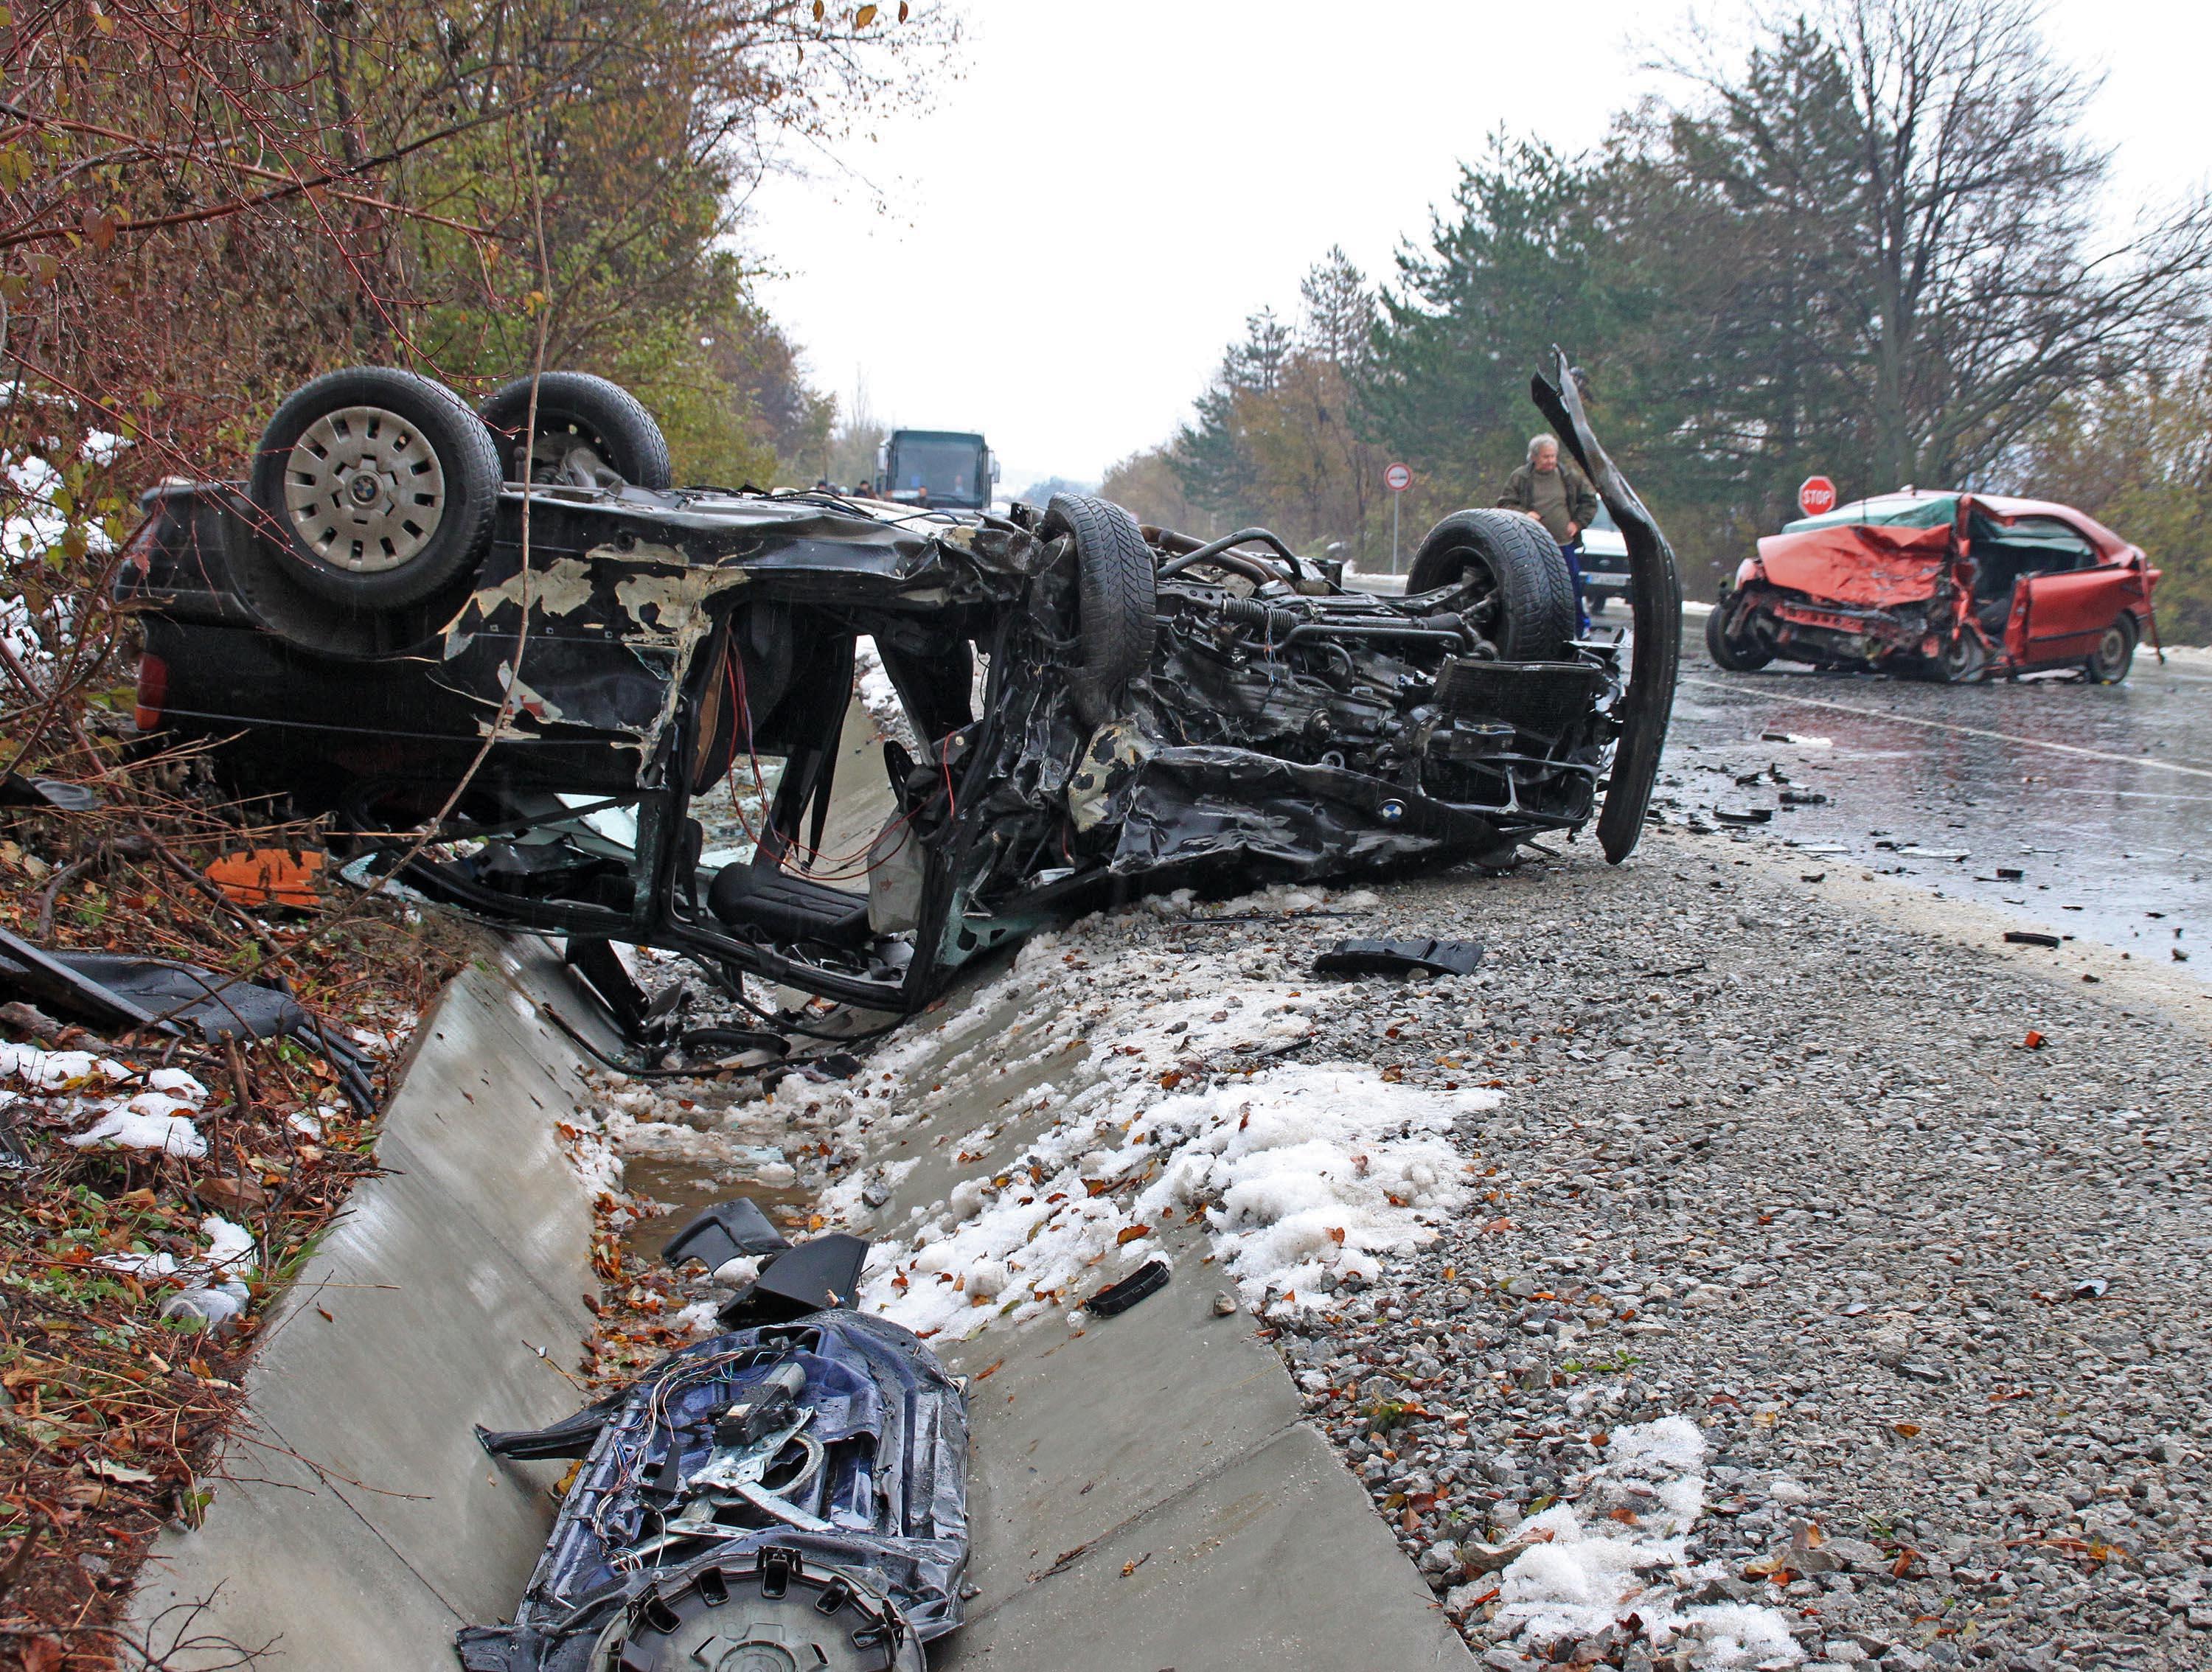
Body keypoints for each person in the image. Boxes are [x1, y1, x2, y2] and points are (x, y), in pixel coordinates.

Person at [1498, 434, 1598, 633]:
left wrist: (1578, 523)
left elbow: (1589, 501)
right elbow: (1504, 504)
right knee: (1534, 592)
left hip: (1563, 543)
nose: (1551, 461)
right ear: (1534, 457)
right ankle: (1537, 632)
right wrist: (1526, 515)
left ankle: (1580, 629)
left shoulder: (1568, 476)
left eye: (1553, 456)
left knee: (1572, 589)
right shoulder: (1521, 478)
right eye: (1546, 457)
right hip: (1531, 546)